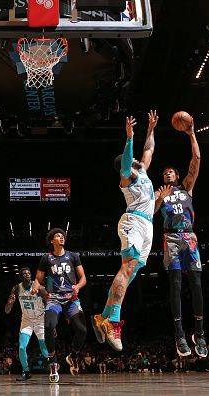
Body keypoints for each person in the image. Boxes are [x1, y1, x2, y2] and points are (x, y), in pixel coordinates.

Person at [92, 111, 159, 352]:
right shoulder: (126, 179)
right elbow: (130, 158)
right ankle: (113, 322)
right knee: (126, 268)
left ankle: (103, 316)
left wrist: (150, 129)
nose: (138, 160)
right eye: (132, 160)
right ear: (126, 166)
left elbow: (149, 151)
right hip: (133, 222)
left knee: (129, 276)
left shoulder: (143, 173)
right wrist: (129, 137)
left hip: (148, 227)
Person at [152, 120, 206, 358]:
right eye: (164, 173)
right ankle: (179, 334)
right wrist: (159, 199)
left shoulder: (186, 189)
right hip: (171, 239)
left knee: (196, 285)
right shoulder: (159, 193)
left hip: (190, 238)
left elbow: (196, 161)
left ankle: (200, 333)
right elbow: (150, 213)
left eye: (171, 171)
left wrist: (192, 134)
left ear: (177, 175)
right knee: (175, 285)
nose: (167, 173)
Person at [31, 228, 87, 383]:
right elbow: (38, 278)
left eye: (62, 236)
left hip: (71, 299)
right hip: (54, 298)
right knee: (49, 326)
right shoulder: (46, 258)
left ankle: (73, 356)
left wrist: (78, 286)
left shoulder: (73, 256)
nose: (61, 237)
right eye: (57, 236)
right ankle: (53, 363)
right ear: (51, 241)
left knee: (82, 330)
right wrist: (35, 287)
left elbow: (83, 278)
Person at [5, 267, 49, 381]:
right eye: (24, 274)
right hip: (27, 320)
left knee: (44, 347)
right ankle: (26, 372)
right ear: (20, 277)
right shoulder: (16, 289)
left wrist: (50, 323)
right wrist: (9, 303)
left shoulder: (38, 287)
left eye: (29, 273)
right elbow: (7, 310)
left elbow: (49, 303)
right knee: (21, 347)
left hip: (40, 319)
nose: (27, 275)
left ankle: (53, 366)